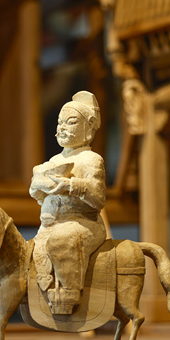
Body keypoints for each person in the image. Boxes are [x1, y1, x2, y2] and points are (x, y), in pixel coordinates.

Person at [30, 91, 107, 315]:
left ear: (89, 126)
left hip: (82, 224)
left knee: (61, 240)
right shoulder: (55, 160)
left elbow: (98, 198)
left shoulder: (91, 160)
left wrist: (72, 185)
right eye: (59, 122)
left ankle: (68, 294)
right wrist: (39, 185)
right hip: (48, 225)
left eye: (70, 122)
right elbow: (35, 192)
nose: (62, 128)